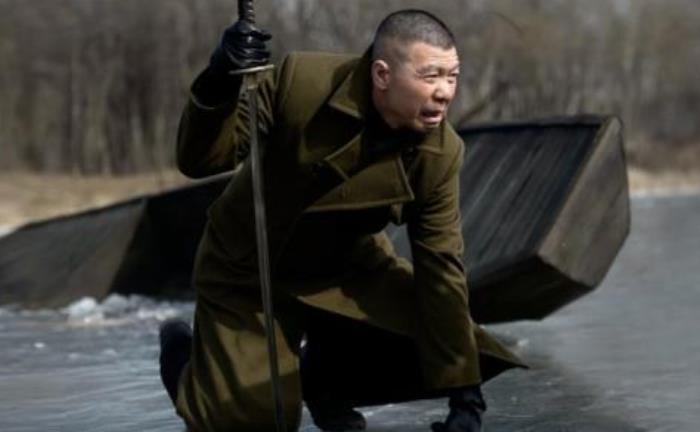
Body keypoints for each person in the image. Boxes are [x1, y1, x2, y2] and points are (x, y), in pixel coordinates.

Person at [160, 9, 525, 432]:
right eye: (430, 76)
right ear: (383, 75)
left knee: (470, 354)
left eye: (453, 76)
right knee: (256, 422)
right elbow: (201, 160)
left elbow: (440, 268)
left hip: (345, 271)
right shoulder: (301, 84)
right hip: (250, 267)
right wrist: (219, 79)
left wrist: (465, 398)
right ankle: (184, 362)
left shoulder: (440, 154)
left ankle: (323, 383)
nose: (445, 92)